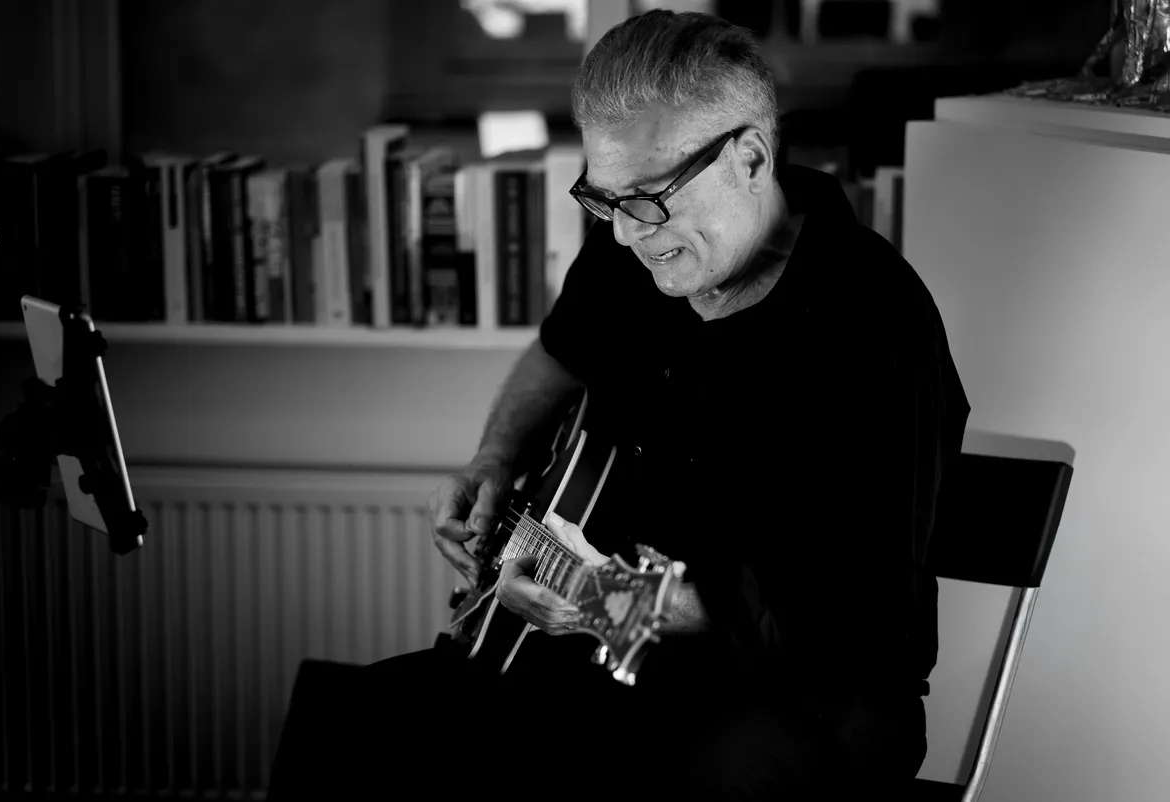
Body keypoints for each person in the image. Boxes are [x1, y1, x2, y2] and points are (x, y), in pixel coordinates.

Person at [267, 9, 970, 800]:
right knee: (352, 727)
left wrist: (609, 602)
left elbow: (851, 621)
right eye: (604, 200)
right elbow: (559, 353)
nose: (629, 234)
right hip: (614, 660)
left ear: (749, 157)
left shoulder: (876, 326)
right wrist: (495, 457)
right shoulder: (631, 244)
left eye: (650, 198)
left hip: (802, 701)